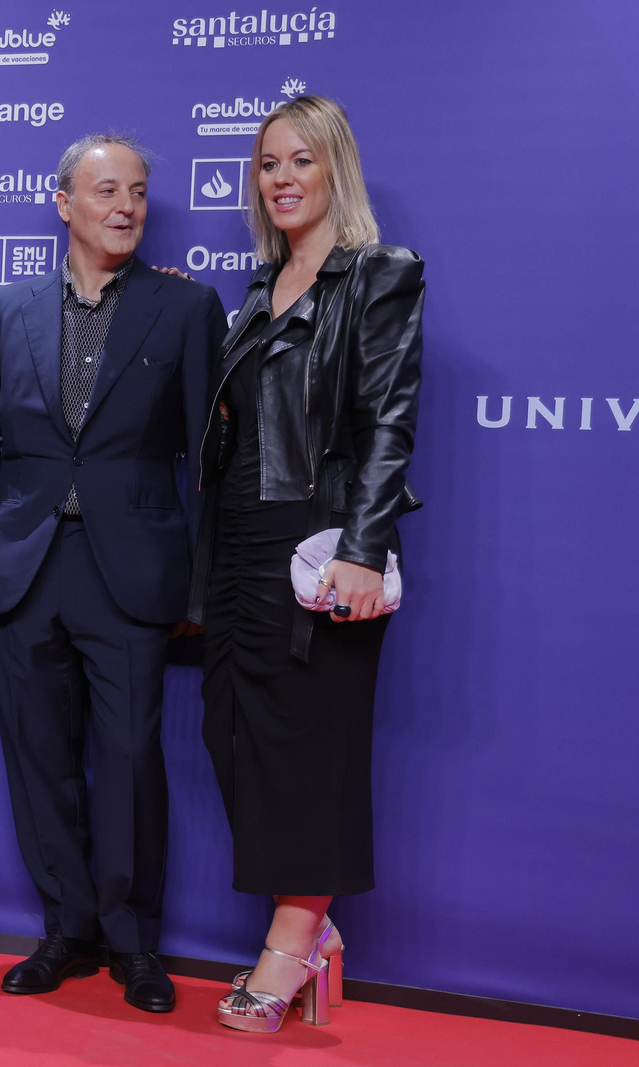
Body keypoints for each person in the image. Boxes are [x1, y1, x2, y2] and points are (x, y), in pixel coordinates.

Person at [0, 133, 226, 1012]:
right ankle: (67, 929)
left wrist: (203, 584)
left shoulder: (185, 309)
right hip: (21, 564)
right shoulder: (6, 309)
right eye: (106, 191)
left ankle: (136, 943)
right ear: (64, 202)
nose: (126, 206)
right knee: (38, 757)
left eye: (138, 191)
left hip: (133, 570)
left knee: (131, 756)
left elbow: (209, 459)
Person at [189, 95, 424, 1033]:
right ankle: (309, 927)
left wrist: (365, 549)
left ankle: (297, 936)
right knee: (229, 734)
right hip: (239, 543)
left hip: (322, 541)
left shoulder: (379, 275)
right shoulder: (255, 290)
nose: (280, 179)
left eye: (301, 161)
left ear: (337, 172)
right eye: (267, 164)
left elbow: (389, 423)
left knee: (306, 747)